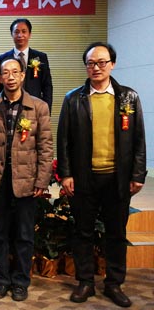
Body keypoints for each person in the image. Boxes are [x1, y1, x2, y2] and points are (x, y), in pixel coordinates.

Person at [57, 42, 147, 308]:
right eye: (91, 63)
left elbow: (139, 139)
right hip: (84, 177)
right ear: (86, 66)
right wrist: (66, 174)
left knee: (116, 233)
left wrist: (138, 174)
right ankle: (85, 282)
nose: (96, 67)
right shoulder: (73, 99)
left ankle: (114, 283)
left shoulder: (128, 97)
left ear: (112, 64)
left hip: (117, 178)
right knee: (83, 232)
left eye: (102, 62)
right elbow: (64, 140)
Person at [0, 58, 53, 302]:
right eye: (6, 73)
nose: (11, 76)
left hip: (26, 180)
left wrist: (42, 180)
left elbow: (46, 146)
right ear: (0, 78)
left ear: (23, 75)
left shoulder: (38, 107)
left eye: (15, 72)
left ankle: (21, 281)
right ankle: (2, 279)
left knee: (24, 234)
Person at [0, 18, 53, 111]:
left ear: (29, 34)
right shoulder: (2, 59)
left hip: (34, 107)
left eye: (24, 31)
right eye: (16, 32)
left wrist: (46, 110)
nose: (20, 35)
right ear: (12, 34)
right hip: (9, 107)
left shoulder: (40, 57)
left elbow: (47, 86)